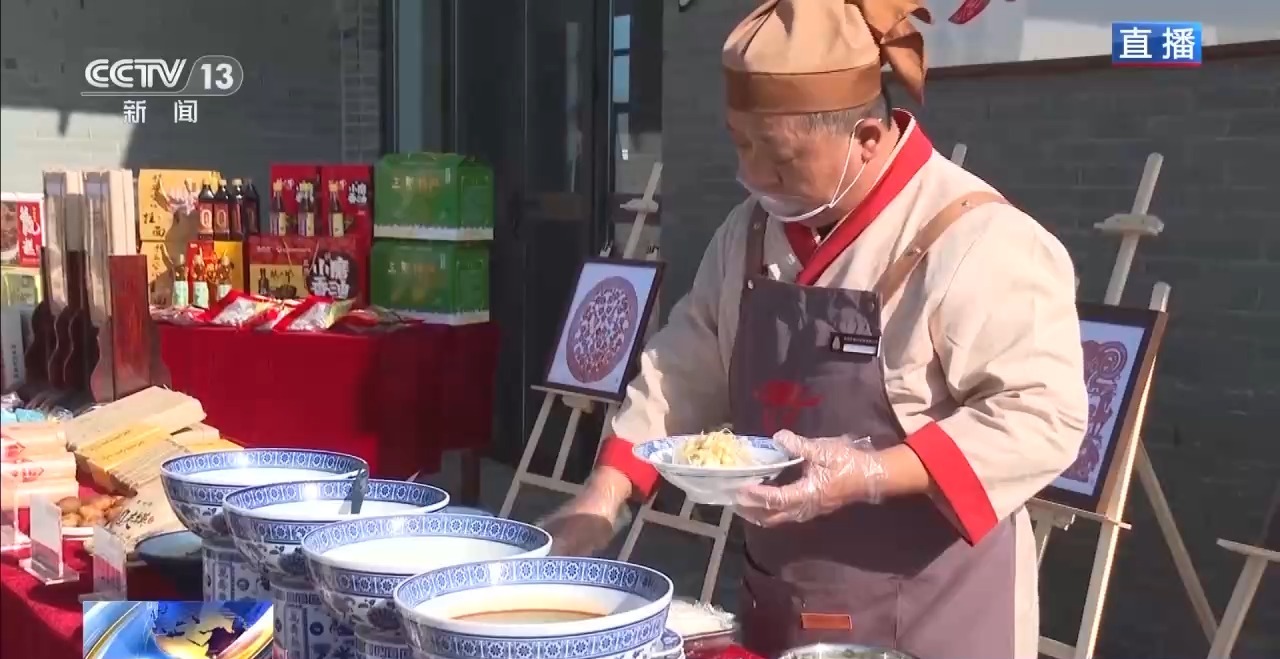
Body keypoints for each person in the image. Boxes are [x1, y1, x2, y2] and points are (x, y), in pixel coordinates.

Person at [539, 0, 1088, 657]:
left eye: (779, 158)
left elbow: (1042, 417)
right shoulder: (747, 234)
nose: (751, 175)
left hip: (935, 618)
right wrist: (602, 499)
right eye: (741, 144)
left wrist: (870, 473)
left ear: (865, 138)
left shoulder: (977, 238)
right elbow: (683, 366)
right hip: (785, 608)